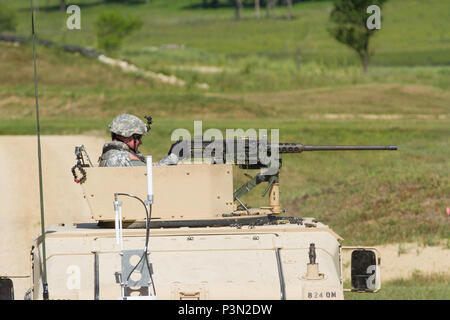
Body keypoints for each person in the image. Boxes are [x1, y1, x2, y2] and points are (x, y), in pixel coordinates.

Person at [98, 114, 179, 167]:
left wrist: (169, 156)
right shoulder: (121, 157)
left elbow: (150, 167)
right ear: (126, 137)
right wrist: (174, 157)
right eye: (138, 138)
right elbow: (149, 175)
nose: (140, 142)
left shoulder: (113, 154)